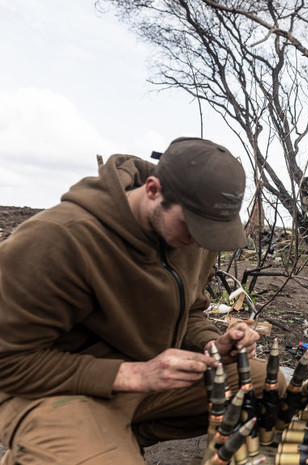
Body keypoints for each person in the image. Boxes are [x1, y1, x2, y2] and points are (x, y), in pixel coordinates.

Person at [0, 137, 270, 465]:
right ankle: (56, 445)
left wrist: (213, 343)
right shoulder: (57, 239)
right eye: (192, 226)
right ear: (154, 190)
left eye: (210, 230)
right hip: (52, 388)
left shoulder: (196, 232)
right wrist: (133, 374)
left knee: (267, 389)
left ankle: (114, 438)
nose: (200, 240)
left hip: (147, 378)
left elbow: (192, 310)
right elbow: (9, 363)